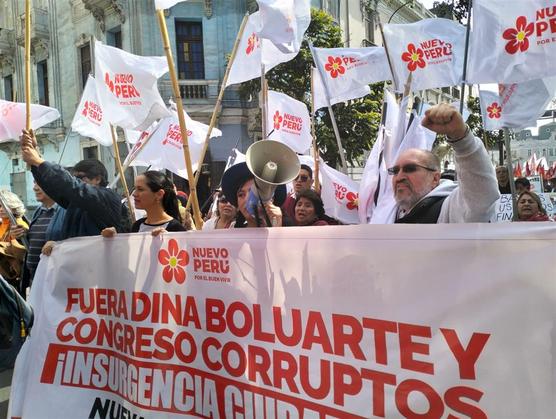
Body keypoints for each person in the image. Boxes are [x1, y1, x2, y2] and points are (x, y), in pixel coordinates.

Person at [391, 104, 499, 223]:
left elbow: (482, 197)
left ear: (435, 178)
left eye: (410, 169)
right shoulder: (387, 212)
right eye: (395, 171)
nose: (399, 177)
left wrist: (462, 140)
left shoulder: (449, 208)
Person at [20, 129, 129, 239]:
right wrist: (34, 158)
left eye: (80, 178)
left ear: (97, 179)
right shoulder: (78, 203)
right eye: (74, 178)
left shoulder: (106, 197)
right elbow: (53, 188)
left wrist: (39, 162)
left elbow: (71, 186)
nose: (76, 181)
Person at [103, 171, 186, 236]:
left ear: (159, 194)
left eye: (140, 189)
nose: (134, 194)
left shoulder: (175, 229)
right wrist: (114, 239)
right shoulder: (137, 226)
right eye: (135, 189)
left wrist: (168, 240)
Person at [21, 183, 66, 290]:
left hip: (55, 281)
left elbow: (75, 241)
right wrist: (24, 234)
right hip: (36, 278)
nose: (35, 188)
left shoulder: (66, 211)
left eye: (40, 183)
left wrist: (57, 245)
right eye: (34, 183)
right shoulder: (39, 211)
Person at [221, 162, 288, 228]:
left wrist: (277, 229)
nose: (247, 198)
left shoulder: (291, 232)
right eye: (241, 195)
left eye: (255, 192)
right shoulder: (232, 235)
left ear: (271, 199)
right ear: (238, 207)